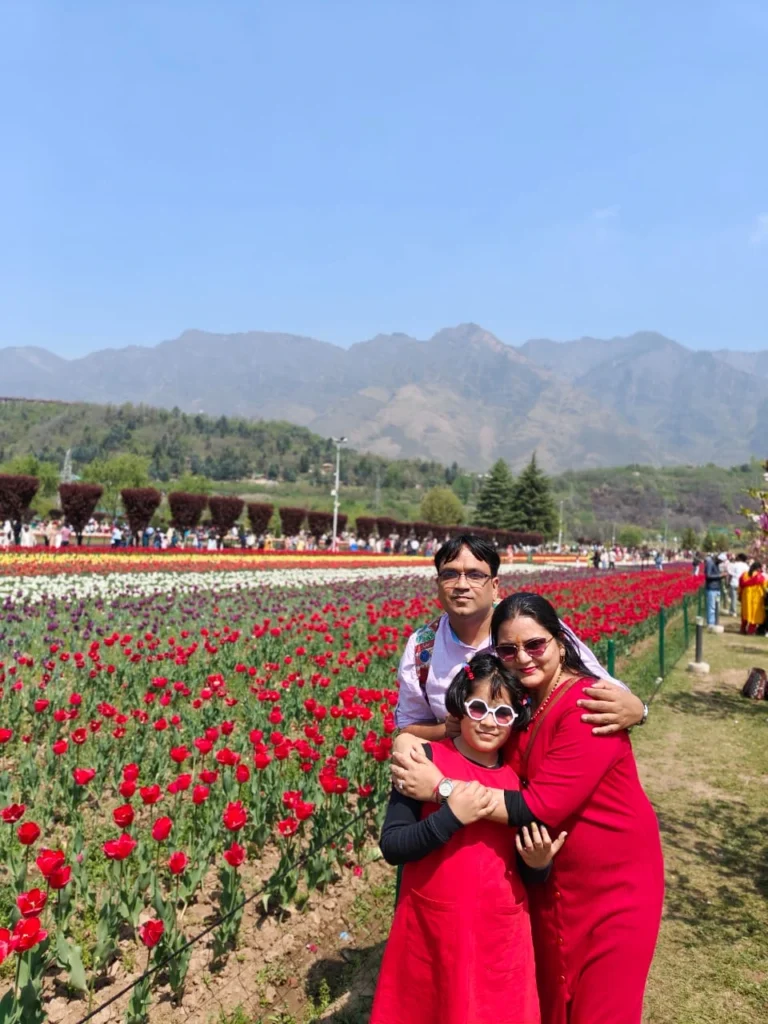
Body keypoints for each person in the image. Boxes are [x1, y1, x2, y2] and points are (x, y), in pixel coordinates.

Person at [392, 593, 664, 1024]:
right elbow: (470, 742)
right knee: (552, 1002)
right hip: (546, 877)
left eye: (535, 645)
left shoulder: (586, 706)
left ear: (559, 641)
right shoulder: (519, 707)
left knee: (601, 1007)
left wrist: (441, 788)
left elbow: (540, 805)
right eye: (508, 649)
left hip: (611, 885)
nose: (522, 658)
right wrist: (410, 739)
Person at [372, 652, 563, 1024]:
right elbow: (393, 846)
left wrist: (539, 865)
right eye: (478, 708)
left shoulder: (518, 783)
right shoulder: (423, 760)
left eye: (502, 713)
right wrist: (450, 818)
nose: (489, 722)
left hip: (500, 933)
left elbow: (523, 868)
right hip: (433, 928)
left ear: (515, 719)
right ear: (460, 705)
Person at [395, 534, 646, 742]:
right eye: (450, 575)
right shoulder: (423, 646)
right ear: (437, 583)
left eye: (474, 575)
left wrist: (639, 709)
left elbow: (601, 685)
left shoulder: (530, 626)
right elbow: (408, 725)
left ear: (494, 586)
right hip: (458, 773)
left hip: (534, 764)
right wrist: (449, 730)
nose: (461, 584)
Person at [739, 561, 767, 635]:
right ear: (758, 568)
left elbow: (740, 586)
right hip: (756, 598)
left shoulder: (744, 574)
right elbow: (765, 587)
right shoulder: (760, 576)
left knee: (745, 613)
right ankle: (750, 631)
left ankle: (742, 629)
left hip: (746, 597)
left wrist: (740, 595)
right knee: (754, 614)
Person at [703, 551, 722, 625]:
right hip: (711, 588)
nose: (721, 562)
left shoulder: (716, 564)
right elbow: (708, 575)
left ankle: (715, 621)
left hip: (717, 588)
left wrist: (721, 575)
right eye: (720, 561)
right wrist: (720, 576)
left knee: (716, 607)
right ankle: (711, 623)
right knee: (712, 607)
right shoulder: (710, 563)